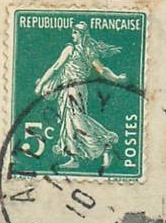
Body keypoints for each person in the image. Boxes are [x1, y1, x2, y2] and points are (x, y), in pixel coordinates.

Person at [34, 22, 127, 170]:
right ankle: (74, 157)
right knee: (69, 122)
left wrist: (41, 84)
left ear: (81, 34)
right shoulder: (88, 50)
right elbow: (102, 70)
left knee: (76, 120)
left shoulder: (72, 49)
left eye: (75, 32)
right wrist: (116, 78)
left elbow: (56, 67)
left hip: (73, 89)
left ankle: (104, 143)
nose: (72, 35)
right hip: (75, 89)